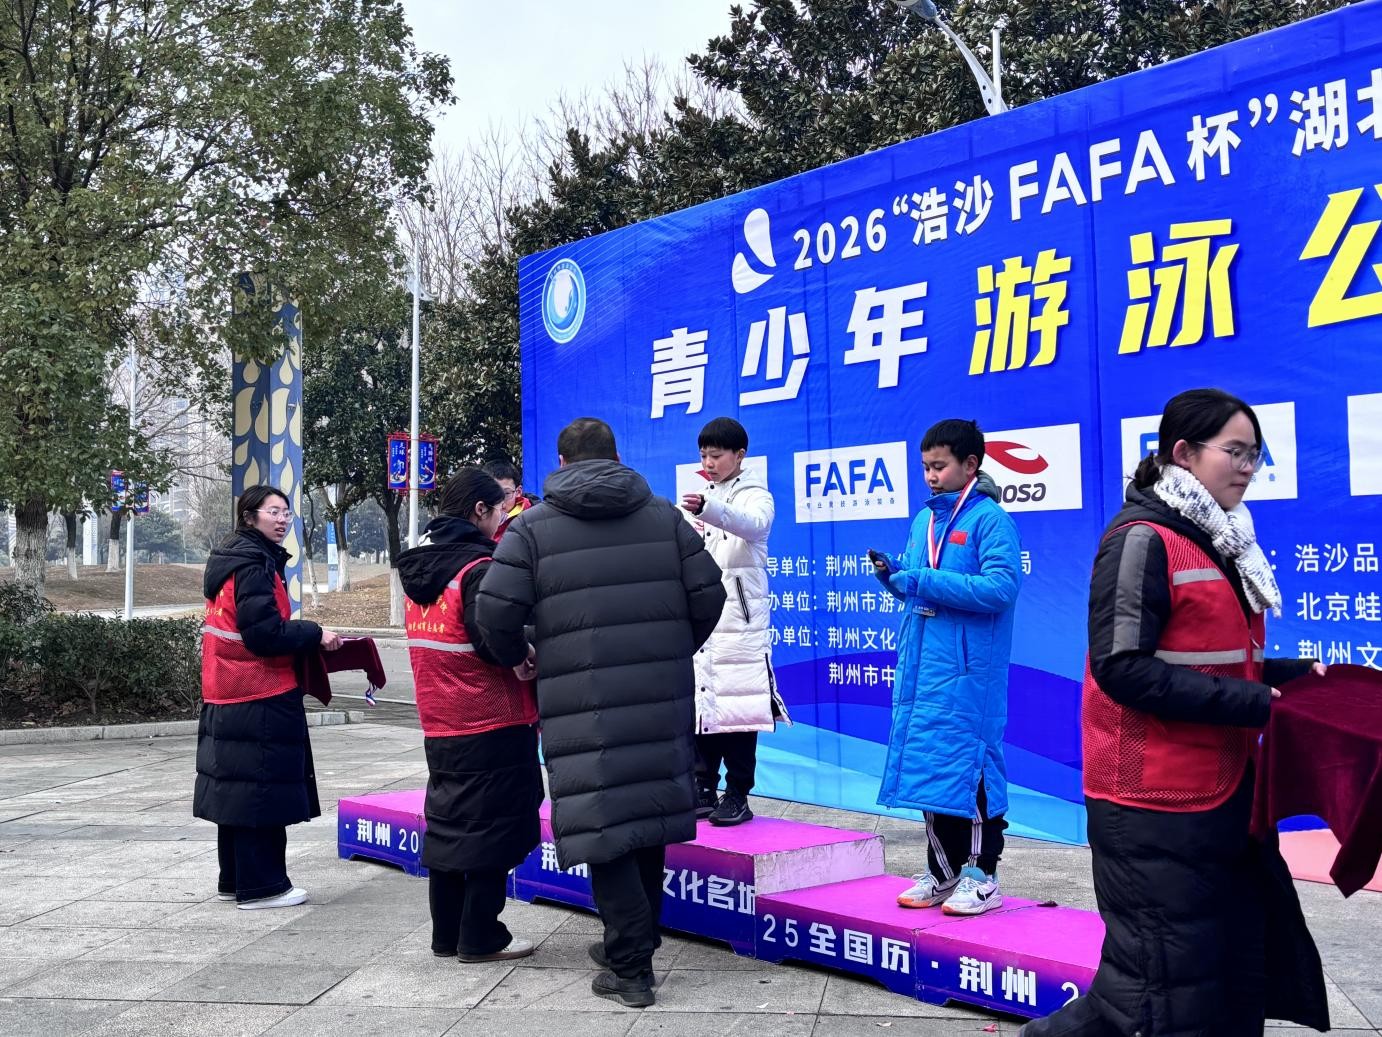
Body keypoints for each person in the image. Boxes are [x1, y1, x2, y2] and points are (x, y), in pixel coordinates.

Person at [1022, 389, 1328, 1036]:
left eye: (1255, 453)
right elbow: (1121, 667)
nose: (1249, 467)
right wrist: (1250, 702)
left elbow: (1217, 664)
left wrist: (1299, 679)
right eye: (1235, 451)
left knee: (1222, 978)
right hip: (1150, 802)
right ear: (1184, 453)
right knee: (1156, 993)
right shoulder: (1141, 540)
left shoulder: (1223, 541)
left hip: (1222, 794)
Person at [476, 417, 726, 1009]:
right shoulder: (664, 517)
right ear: (616, 458)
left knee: (604, 823)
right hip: (659, 692)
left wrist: (520, 657)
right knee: (647, 815)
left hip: (578, 700)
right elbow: (710, 594)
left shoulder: (531, 528)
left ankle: (631, 968)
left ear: (562, 463)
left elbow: (494, 613)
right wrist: (672, 649)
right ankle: (633, 942)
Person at [872, 419, 1022, 916]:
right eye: (925, 467)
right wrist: (896, 577)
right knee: (929, 768)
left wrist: (923, 580)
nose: (930, 476)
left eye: (939, 466)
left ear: (970, 464)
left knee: (972, 771)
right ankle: (942, 872)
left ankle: (982, 876)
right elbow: (920, 585)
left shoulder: (990, 520)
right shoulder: (925, 520)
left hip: (968, 674)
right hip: (924, 668)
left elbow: (1000, 589)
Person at [396, 467, 542, 963]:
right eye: (499, 509)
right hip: (491, 718)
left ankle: (447, 934)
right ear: (479, 510)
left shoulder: (420, 571)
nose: (502, 518)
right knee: (492, 828)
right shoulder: (477, 569)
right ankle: (481, 935)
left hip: (441, 721)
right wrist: (525, 651)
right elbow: (495, 638)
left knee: (450, 824)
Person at [195, 485, 343, 909]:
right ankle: (263, 887)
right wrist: (315, 632)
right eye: (273, 512)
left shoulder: (232, 559)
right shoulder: (254, 564)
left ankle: (235, 879)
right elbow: (263, 634)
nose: (282, 520)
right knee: (261, 789)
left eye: (286, 513)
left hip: (227, 689)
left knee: (237, 790)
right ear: (250, 517)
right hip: (259, 689)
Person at [680, 417, 787, 827]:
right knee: (704, 703)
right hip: (704, 617)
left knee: (740, 709)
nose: (708, 463)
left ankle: (738, 793)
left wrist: (709, 510)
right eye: (703, 455)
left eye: (716, 455)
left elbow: (755, 524)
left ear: (739, 455)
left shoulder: (755, 494)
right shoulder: (702, 496)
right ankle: (703, 786)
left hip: (740, 620)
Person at [482, 458, 532, 541]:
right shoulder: (475, 519)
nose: (500, 503)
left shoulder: (531, 520)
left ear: (518, 492)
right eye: (492, 494)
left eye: (506, 494)